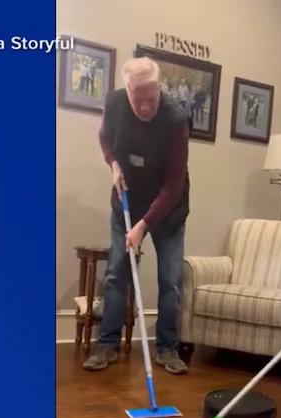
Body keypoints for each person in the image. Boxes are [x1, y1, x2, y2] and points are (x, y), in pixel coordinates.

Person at [83, 57, 191, 375]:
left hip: (168, 210)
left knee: (170, 281)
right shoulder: (115, 103)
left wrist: (143, 226)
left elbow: (173, 186)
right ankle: (107, 346)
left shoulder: (176, 118)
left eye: (151, 98)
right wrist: (113, 165)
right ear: (127, 90)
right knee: (117, 273)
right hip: (127, 198)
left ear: (160, 88)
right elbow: (104, 137)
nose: (145, 106)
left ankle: (167, 348)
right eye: (138, 98)